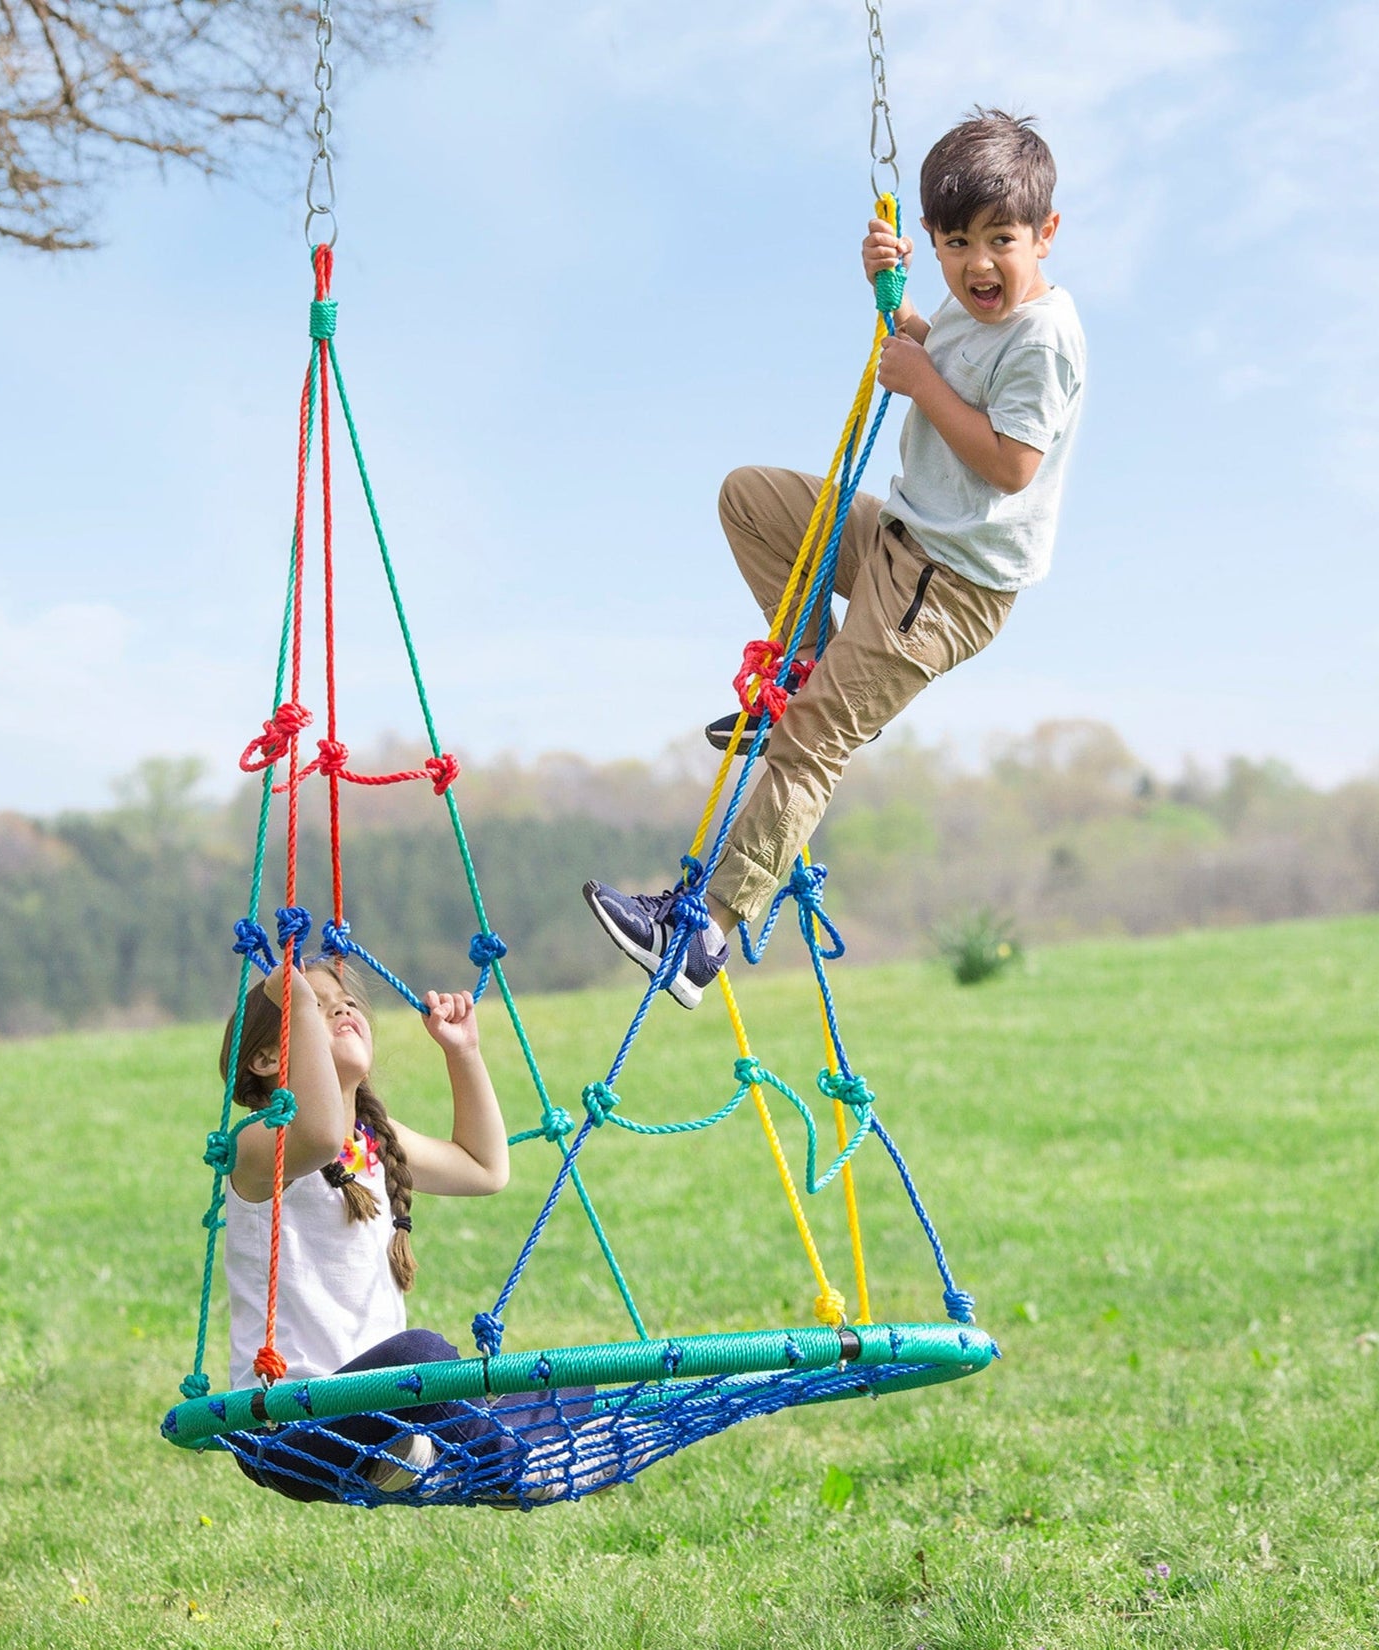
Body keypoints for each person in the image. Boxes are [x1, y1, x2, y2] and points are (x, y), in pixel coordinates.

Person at [584, 108, 1086, 1008]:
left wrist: (922, 381)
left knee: (813, 741)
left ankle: (703, 936)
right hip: (904, 536)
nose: (979, 264)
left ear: (1045, 235)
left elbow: (1013, 465)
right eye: (956, 242)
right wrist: (899, 309)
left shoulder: (1044, 336)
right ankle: (807, 656)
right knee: (755, 499)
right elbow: (948, 361)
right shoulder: (974, 310)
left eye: (1001, 241)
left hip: (950, 585)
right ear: (933, 240)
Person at [219, 960, 588, 1503]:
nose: (342, 1008)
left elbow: (485, 1169)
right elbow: (318, 1136)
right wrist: (293, 1003)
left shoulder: (374, 1141)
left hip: (380, 1406)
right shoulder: (256, 1146)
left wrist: (462, 1053)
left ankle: (421, 1455)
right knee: (421, 1354)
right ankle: (511, 1468)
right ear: (269, 1058)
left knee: (563, 1380)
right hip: (289, 1432)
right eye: (317, 1006)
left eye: (343, 1002)